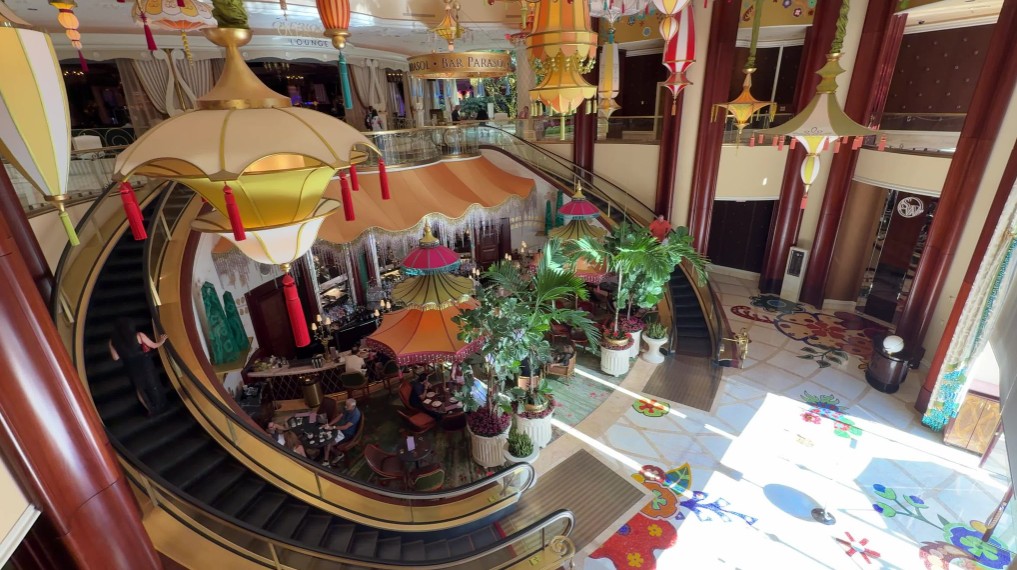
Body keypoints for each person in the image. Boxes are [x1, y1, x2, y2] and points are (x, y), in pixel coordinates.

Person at [109, 317, 168, 416]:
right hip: (144, 362)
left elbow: (115, 357)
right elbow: (154, 345)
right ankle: (160, 405)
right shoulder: (139, 335)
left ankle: (150, 409)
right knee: (152, 382)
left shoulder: (112, 341)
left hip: (130, 366)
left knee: (139, 388)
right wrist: (162, 340)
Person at [323, 398, 361, 465]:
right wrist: (329, 424)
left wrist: (333, 427)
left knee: (328, 443)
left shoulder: (356, 415)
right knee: (326, 439)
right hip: (340, 429)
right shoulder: (347, 408)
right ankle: (337, 455)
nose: (345, 407)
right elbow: (339, 416)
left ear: (353, 407)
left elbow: (345, 427)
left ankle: (327, 460)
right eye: (345, 405)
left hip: (347, 433)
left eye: (347, 406)